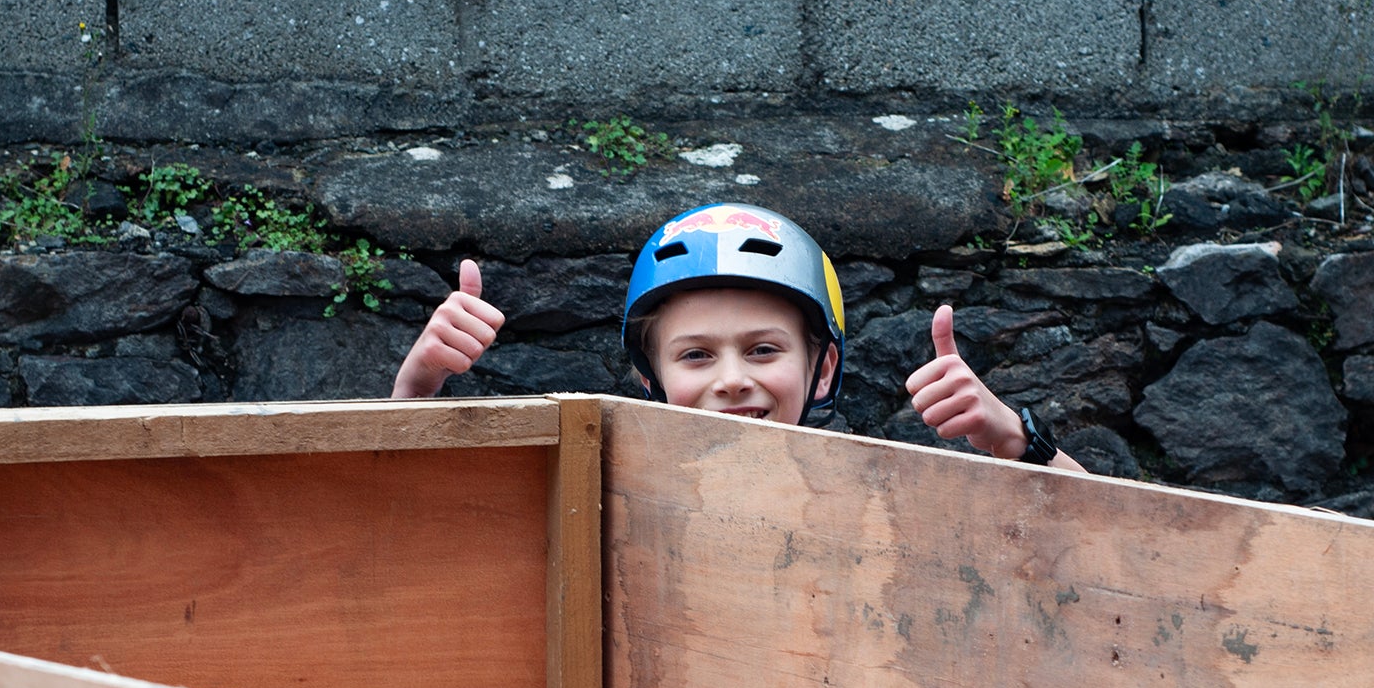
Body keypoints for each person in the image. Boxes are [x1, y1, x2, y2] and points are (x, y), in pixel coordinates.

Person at [392, 202, 1084, 471]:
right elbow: (416, 522)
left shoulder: (891, 481)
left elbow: (1110, 546)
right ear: (650, 378)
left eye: (763, 349)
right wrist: (417, 390)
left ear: (823, 367)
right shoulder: (595, 481)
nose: (731, 378)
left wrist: (1014, 439)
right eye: (695, 355)